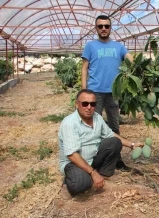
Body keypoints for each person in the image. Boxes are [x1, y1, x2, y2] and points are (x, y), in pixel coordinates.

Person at [58, 89, 143, 198]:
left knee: (114, 142)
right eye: (85, 104)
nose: (89, 107)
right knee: (80, 185)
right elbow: (72, 155)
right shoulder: (69, 123)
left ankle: (102, 175)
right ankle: (75, 179)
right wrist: (93, 173)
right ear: (77, 104)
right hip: (75, 163)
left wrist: (132, 145)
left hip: (93, 158)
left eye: (92, 104)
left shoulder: (97, 118)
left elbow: (110, 135)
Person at [81, 15, 133, 169]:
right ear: (96, 28)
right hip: (94, 92)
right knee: (92, 127)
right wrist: (84, 90)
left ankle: (117, 160)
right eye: (100, 26)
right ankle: (93, 161)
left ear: (110, 28)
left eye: (106, 26)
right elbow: (84, 68)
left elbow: (131, 60)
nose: (103, 29)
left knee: (114, 126)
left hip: (113, 93)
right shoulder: (90, 46)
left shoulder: (119, 46)